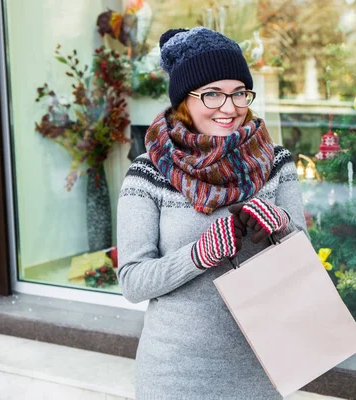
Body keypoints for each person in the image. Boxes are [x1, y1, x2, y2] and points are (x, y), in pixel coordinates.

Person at [116, 27, 307, 400]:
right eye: (213, 94)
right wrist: (197, 255)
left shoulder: (276, 162)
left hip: (266, 366)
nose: (230, 107)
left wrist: (281, 226)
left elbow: (305, 253)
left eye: (239, 92)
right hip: (175, 376)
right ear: (183, 101)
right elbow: (133, 282)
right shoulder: (148, 173)